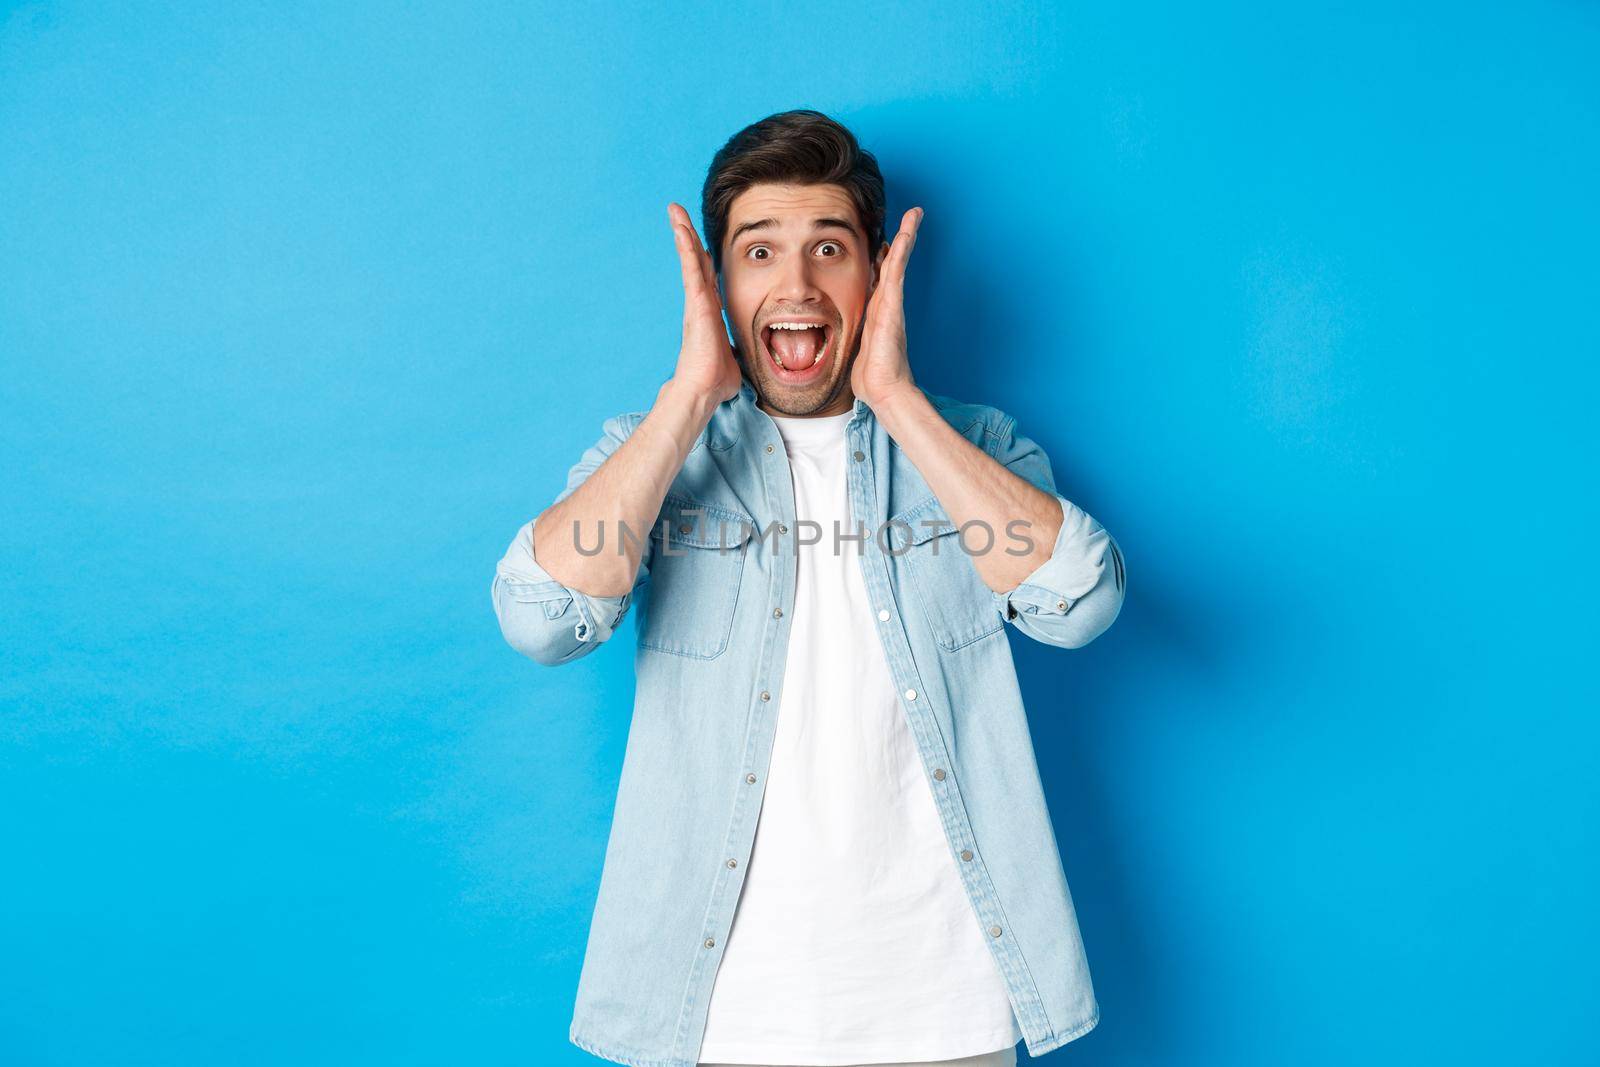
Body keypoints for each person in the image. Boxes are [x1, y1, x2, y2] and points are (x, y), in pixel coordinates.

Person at [491, 109, 1125, 1067]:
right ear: (718, 282)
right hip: (720, 1015)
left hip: (950, 1007)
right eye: (759, 252)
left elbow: (1082, 603)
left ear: (874, 271)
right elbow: (538, 620)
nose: (796, 284)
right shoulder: (651, 454)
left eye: (829, 249)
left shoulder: (979, 447)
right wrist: (687, 399)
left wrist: (901, 402)